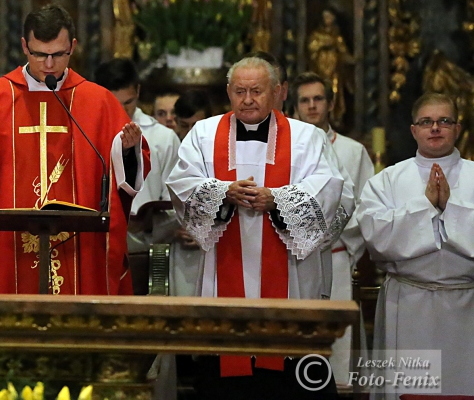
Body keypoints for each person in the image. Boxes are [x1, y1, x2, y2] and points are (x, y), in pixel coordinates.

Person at [166, 57, 348, 398]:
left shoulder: (308, 137)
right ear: (228, 93)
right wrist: (223, 192)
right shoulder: (203, 134)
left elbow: (330, 190)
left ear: (278, 92)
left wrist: (276, 200)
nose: (247, 99)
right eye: (240, 91)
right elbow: (181, 185)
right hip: (222, 277)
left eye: (256, 91)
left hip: (291, 282)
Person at [0, 4, 149, 295]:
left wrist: (127, 151)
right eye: (40, 54)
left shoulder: (98, 102)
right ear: (24, 46)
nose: (49, 64)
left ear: (73, 47)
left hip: (79, 245)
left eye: (58, 54)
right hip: (8, 247)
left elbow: (125, 178)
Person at [356, 93, 474, 398]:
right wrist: (425, 208)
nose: (435, 128)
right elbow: (377, 237)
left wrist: (452, 207)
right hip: (407, 305)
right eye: (426, 122)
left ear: (457, 128)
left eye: (444, 121)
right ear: (413, 130)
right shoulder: (387, 181)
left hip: (467, 303)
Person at [292, 71, 374, 386]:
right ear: (294, 106)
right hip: (292, 259)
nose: (312, 106)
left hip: (335, 256)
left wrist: (341, 246)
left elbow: (366, 206)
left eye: (318, 99)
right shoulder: (285, 150)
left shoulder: (353, 151)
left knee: (336, 349)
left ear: (330, 103)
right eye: (305, 100)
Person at [93, 58, 180, 252]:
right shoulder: (86, 133)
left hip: (147, 247)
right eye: (114, 103)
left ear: (138, 91)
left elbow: (174, 202)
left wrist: (148, 224)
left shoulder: (164, 138)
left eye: (129, 102)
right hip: (97, 244)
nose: (122, 110)